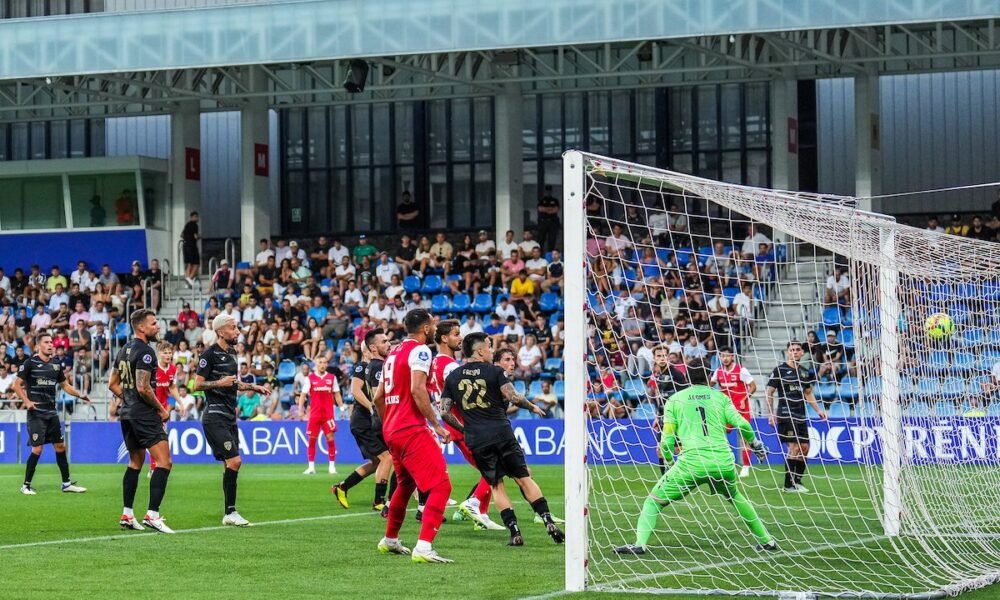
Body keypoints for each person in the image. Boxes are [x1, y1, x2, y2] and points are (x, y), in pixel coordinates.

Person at [614, 363, 775, 556]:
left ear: (687, 379)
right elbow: (743, 424)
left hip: (691, 463)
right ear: (708, 378)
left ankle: (640, 544)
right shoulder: (721, 397)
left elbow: (667, 442)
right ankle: (767, 541)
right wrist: (755, 444)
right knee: (735, 496)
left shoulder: (675, 400)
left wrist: (670, 463)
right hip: (722, 462)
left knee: (653, 502)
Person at [439, 333, 561, 547]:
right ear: (479, 351)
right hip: (501, 431)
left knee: (496, 485)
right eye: (488, 346)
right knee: (524, 478)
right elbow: (513, 397)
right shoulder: (495, 371)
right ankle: (547, 520)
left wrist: (464, 428)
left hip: (477, 438)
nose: (491, 350)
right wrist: (531, 406)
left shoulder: (453, 376)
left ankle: (514, 531)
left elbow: (445, 411)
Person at [371, 308, 454, 563]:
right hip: (411, 429)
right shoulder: (420, 351)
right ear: (427, 329)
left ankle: (390, 539)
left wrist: (390, 424)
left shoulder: (392, 353)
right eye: (433, 325)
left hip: (393, 430)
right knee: (441, 485)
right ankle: (424, 547)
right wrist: (437, 425)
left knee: (406, 484)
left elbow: (378, 397)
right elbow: (418, 390)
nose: (434, 328)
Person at [194, 313, 271, 527]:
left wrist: (252, 387)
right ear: (221, 331)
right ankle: (231, 512)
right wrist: (219, 382)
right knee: (236, 461)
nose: (237, 331)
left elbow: (232, 383)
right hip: (214, 416)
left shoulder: (232, 354)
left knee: (231, 464)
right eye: (233, 328)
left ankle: (229, 512)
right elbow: (197, 385)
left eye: (237, 327)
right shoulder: (208, 355)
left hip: (229, 416)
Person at [427, 320, 501, 531]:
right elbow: (461, 397)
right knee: (494, 467)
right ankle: (474, 503)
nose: (460, 338)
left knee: (489, 469)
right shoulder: (450, 366)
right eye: (456, 334)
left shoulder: (435, 363)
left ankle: (481, 516)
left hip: (454, 424)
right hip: (464, 424)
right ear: (443, 338)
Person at [108, 309, 173, 533]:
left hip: (126, 414)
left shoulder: (124, 349)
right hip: (143, 415)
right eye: (154, 324)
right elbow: (143, 387)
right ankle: (153, 515)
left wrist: (129, 400)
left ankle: (127, 514)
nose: (158, 327)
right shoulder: (146, 352)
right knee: (164, 462)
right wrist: (161, 409)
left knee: (135, 462)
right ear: (141, 328)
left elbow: (112, 384)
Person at [13, 332, 92, 496]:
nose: (51, 345)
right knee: (37, 449)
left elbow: (65, 385)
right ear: (38, 346)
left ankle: (66, 484)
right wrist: (27, 402)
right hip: (36, 413)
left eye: (52, 342)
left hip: (51, 413)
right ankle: (25, 485)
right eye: (47, 342)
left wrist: (80, 394)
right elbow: (17, 385)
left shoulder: (56, 364)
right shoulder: (30, 363)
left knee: (60, 446)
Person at [331, 330, 394, 511]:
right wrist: (371, 407)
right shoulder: (362, 367)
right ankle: (379, 501)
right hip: (363, 421)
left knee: (377, 463)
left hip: (369, 420)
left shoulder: (378, 366)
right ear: (369, 349)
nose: (388, 345)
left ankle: (342, 487)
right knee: (387, 458)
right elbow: (356, 391)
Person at [766, 341, 828, 493]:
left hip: (800, 414)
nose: (794, 352)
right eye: (791, 350)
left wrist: (819, 410)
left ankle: (797, 481)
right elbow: (769, 392)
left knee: (805, 448)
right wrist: (771, 413)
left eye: (797, 350)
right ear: (788, 352)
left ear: (802, 353)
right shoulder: (780, 370)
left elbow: (808, 393)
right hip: (786, 414)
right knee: (794, 447)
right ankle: (788, 485)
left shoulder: (805, 372)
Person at [711, 347, 758, 478]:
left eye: (727, 356)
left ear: (732, 356)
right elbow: (710, 385)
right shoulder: (718, 372)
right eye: (722, 356)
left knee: (744, 438)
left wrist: (744, 399)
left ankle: (746, 466)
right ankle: (724, 462)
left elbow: (753, 386)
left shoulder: (741, 370)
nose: (725, 358)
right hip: (725, 409)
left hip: (742, 409)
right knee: (719, 435)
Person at [297, 354, 343, 475]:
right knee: (312, 440)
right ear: (316, 365)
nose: (322, 365)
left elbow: (337, 394)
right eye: (320, 362)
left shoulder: (332, 378)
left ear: (327, 364)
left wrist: (342, 408)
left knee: (330, 439)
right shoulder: (310, 378)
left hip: (328, 415)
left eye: (324, 362)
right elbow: (302, 395)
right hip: (315, 415)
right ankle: (311, 467)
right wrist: (300, 410)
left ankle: (332, 466)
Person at [647, 345, 689, 474]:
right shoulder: (658, 374)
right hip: (664, 417)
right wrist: (657, 417)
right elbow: (663, 399)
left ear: (669, 357)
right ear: (654, 358)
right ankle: (665, 479)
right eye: (659, 356)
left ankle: (685, 476)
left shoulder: (676, 374)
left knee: (679, 450)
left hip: (677, 417)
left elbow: (686, 395)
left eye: (664, 355)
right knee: (660, 450)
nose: (662, 358)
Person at [149, 341, 181, 476]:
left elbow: (172, 387)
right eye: (165, 352)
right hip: (150, 408)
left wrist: (180, 402)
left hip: (163, 410)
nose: (168, 355)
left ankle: (155, 466)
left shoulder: (173, 369)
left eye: (170, 352)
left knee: (158, 438)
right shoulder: (152, 369)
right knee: (155, 438)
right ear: (159, 354)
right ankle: (153, 467)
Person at [536, 185, 561, 252]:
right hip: (543, 222)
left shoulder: (554, 200)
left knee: (552, 239)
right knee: (541, 239)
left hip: (552, 222)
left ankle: (550, 254)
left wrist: (546, 209)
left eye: (549, 191)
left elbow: (556, 209)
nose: (548, 192)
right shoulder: (542, 200)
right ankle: (540, 254)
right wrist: (550, 209)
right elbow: (540, 209)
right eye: (547, 191)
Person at [181, 211, 200, 288]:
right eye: (196, 217)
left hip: (185, 245)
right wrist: (199, 237)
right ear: (193, 217)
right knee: (196, 263)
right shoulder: (194, 225)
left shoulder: (187, 225)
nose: (197, 218)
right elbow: (195, 236)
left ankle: (187, 281)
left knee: (189, 263)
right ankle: (189, 278)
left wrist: (187, 237)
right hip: (191, 245)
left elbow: (182, 235)